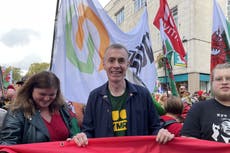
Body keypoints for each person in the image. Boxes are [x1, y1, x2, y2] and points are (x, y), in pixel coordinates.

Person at [82, 43, 174, 144]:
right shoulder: (94, 97)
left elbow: (155, 127)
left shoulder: (143, 94)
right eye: (111, 60)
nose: (116, 65)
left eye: (121, 61)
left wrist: (161, 132)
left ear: (127, 64)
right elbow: (88, 132)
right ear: (104, 65)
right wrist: (81, 137)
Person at [0, 71, 87, 146]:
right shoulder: (17, 112)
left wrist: (77, 138)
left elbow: (74, 133)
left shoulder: (63, 109)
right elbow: (8, 143)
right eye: (42, 94)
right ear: (31, 90)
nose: (46, 98)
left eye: (52, 95)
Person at [181, 63, 230, 143]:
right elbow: (187, 144)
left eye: (228, 78)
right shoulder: (198, 109)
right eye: (219, 79)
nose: (224, 82)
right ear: (212, 83)